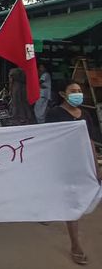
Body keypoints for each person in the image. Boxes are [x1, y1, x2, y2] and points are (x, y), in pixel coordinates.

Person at [46, 80, 100, 266]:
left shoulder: (85, 114)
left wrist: (95, 165)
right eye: (73, 91)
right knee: (67, 200)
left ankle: (75, 243)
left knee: (74, 201)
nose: (78, 93)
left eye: (79, 90)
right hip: (61, 164)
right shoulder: (54, 114)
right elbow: (49, 140)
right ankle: (75, 244)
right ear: (63, 94)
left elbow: (90, 141)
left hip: (80, 164)